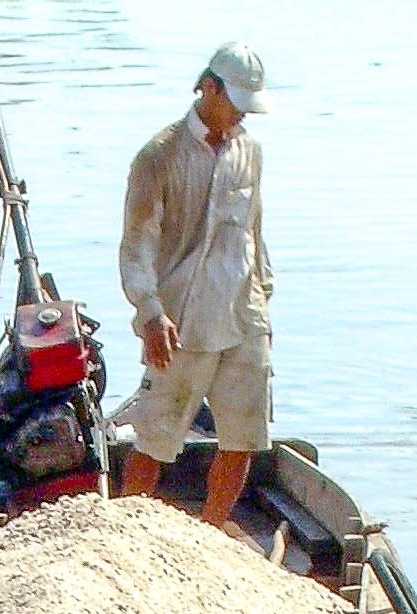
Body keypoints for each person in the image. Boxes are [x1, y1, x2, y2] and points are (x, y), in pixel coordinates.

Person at [117, 41, 274, 534]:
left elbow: (254, 231)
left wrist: (264, 297)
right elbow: (137, 244)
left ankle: (210, 533)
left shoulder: (250, 151)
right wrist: (149, 311)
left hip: (243, 311)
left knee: (245, 433)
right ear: (208, 88)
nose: (240, 118)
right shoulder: (157, 157)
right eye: (234, 104)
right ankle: (125, 537)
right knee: (156, 436)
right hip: (182, 318)